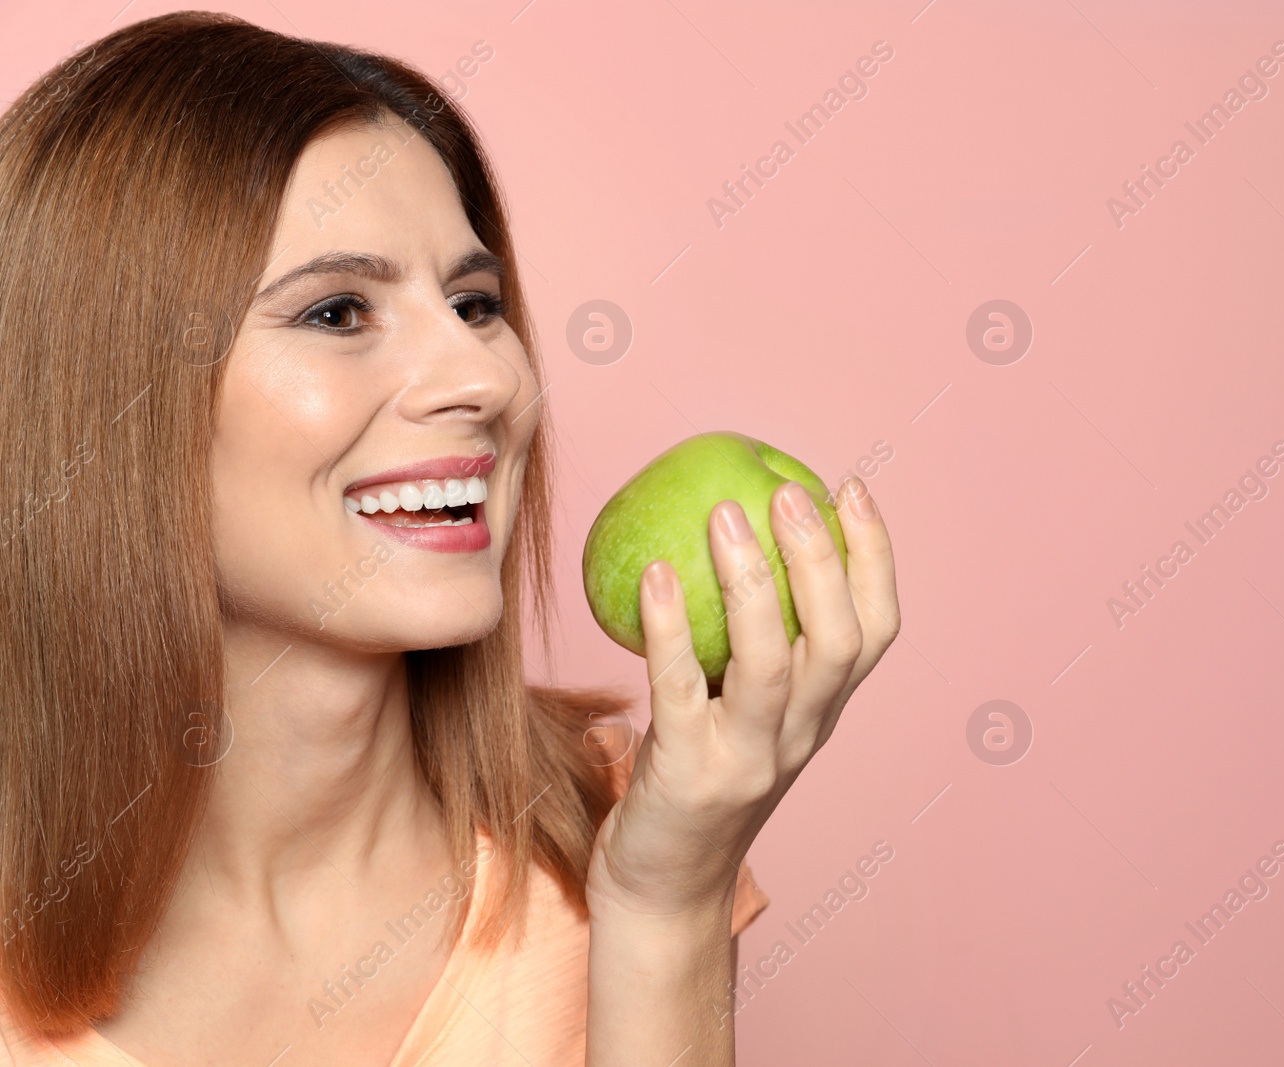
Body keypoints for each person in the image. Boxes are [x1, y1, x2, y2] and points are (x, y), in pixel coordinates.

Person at [0, 11, 900, 1065]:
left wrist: (667, 905)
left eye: (475, 302)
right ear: (102, 400)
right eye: (338, 311)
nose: (488, 380)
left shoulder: (620, 830)